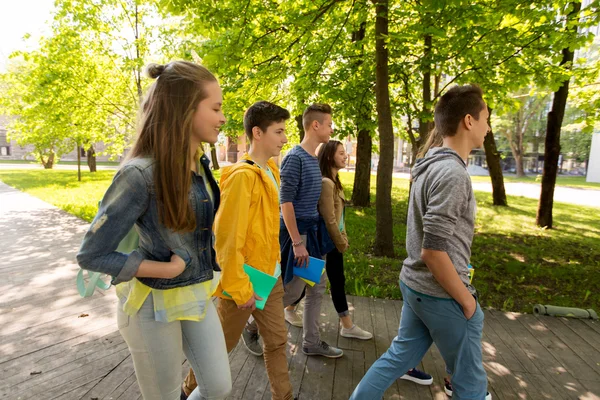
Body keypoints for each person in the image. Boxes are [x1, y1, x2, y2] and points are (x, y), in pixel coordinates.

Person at [77, 61, 231, 400]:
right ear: (185, 108)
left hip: (195, 295)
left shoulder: (200, 164)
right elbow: (91, 254)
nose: (222, 118)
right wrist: (166, 268)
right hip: (150, 304)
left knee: (219, 387)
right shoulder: (139, 175)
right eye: (216, 108)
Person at [350, 84, 491, 400]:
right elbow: (433, 250)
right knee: (471, 385)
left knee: (397, 358)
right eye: (486, 118)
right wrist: (468, 303)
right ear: (469, 121)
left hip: (415, 287)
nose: (488, 126)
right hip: (442, 295)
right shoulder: (453, 174)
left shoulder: (429, 165)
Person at [182, 101, 295, 400]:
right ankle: (186, 392)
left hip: (271, 277)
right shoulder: (243, 177)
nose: (285, 138)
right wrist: (239, 287)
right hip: (243, 282)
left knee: (277, 343)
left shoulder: (271, 169)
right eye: (279, 131)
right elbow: (228, 239)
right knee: (218, 348)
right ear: (257, 133)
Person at [242, 103, 343, 358]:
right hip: (297, 236)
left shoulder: (312, 159)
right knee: (292, 292)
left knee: (317, 286)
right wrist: (298, 242)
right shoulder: (295, 157)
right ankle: (251, 326)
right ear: (315, 125)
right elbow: (284, 202)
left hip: (312, 236)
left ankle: (310, 342)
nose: (332, 129)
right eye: (329, 124)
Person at [316, 140, 372, 340]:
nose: (345, 156)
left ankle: (289, 307)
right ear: (330, 156)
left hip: (334, 240)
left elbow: (340, 218)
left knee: (323, 280)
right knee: (332, 281)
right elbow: (329, 218)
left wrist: (344, 236)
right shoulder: (326, 183)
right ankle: (347, 325)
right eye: (341, 153)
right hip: (329, 242)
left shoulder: (334, 181)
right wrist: (340, 242)